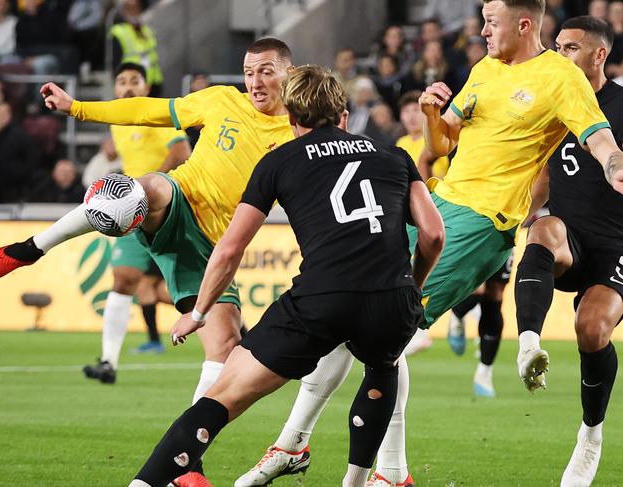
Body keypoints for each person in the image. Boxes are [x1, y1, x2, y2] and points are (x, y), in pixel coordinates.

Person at [235, 2, 623, 486]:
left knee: (372, 324)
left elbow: (599, 137)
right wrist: (431, 113)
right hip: (440, 205)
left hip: (482, 224)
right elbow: (442, 145)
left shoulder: (559, 77)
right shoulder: (484, 69)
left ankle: (298, 446)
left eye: (491, 21)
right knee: (366, 319)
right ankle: (382, 471)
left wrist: (614, 165)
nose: (481, 30)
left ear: (524, 25)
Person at [0, 37, 296, 487]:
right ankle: (32, 246)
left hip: (214, 246)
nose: (255, 81)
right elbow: (148, 109)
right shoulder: (222, 100)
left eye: (266, 71)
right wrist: (78, 108)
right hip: (177, 200)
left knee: (225, 348)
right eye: (248, 71)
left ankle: (188, 463)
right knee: (144, 187)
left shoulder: (299, 134)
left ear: (289, 71)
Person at [127, 64, 444, 487]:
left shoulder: (278, 160)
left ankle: (150, 481)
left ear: (292, 120)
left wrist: (199, 312)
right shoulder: (394, 156)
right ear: (344, 117)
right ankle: (360, 478)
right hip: (392, 297)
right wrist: (413, 288)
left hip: (321, 299)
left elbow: (230, 248)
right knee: (382, 366)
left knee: (222, 397)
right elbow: (434, 234)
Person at [515, 16, 623, 486]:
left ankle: (591, 434)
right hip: (570, 238)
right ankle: (528, 346)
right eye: (557, 47)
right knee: (543, 232)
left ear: (599, 55)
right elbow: (543, 175)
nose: (561, 56)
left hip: (617, 245)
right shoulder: (554, 105)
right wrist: (517, 217)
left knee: (592, 328)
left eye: (572, 48)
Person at [82, 62, 191, 384]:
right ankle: (108, 362)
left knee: (198, 289)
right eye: (121, 82)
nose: (127, 87)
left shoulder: (156, 115)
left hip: (169, 211)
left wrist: (150, 182)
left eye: (134, 81)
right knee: (123, 279)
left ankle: (240, 338)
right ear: (115, 89)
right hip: (132, 212)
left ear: (146, 88)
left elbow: (183, 152)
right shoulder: (118, 122)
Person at [447, 251, 514, 397]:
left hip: (504, 233)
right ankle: (457, 314)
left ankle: (484, 372)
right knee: (477, 288)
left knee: (495, 293)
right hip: (476, 231)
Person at [109, 0, 163, 96]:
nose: (134, 11)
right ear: (124, 11)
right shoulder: (119, 31)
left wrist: (157, 84)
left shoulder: (147, 30)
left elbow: (153, 57)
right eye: (130, 8)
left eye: (136, 8)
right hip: (132, 84)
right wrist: (122, 84)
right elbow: (115, 63)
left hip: (153, 83)